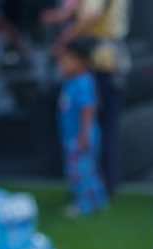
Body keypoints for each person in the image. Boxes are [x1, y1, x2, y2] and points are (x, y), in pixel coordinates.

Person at [43, 0, 127, 195]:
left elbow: (92, 15)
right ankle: (99, 189)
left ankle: (99, 190)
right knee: (104, 133)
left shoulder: (83, 79)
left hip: (103, 62)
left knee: (100, 136)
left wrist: (65, 39)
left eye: (67, 59)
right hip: (106, 62)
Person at [56, 38, 108, 216]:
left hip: (81, 137)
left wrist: (85, 134)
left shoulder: (83, 82)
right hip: (72, 136)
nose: (62, 64)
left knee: (81, 172)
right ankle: (97, 201)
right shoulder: (71, 81)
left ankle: (84, 205)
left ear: (82, 62)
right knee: (85, 170)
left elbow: (88, 109)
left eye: (67, 60)